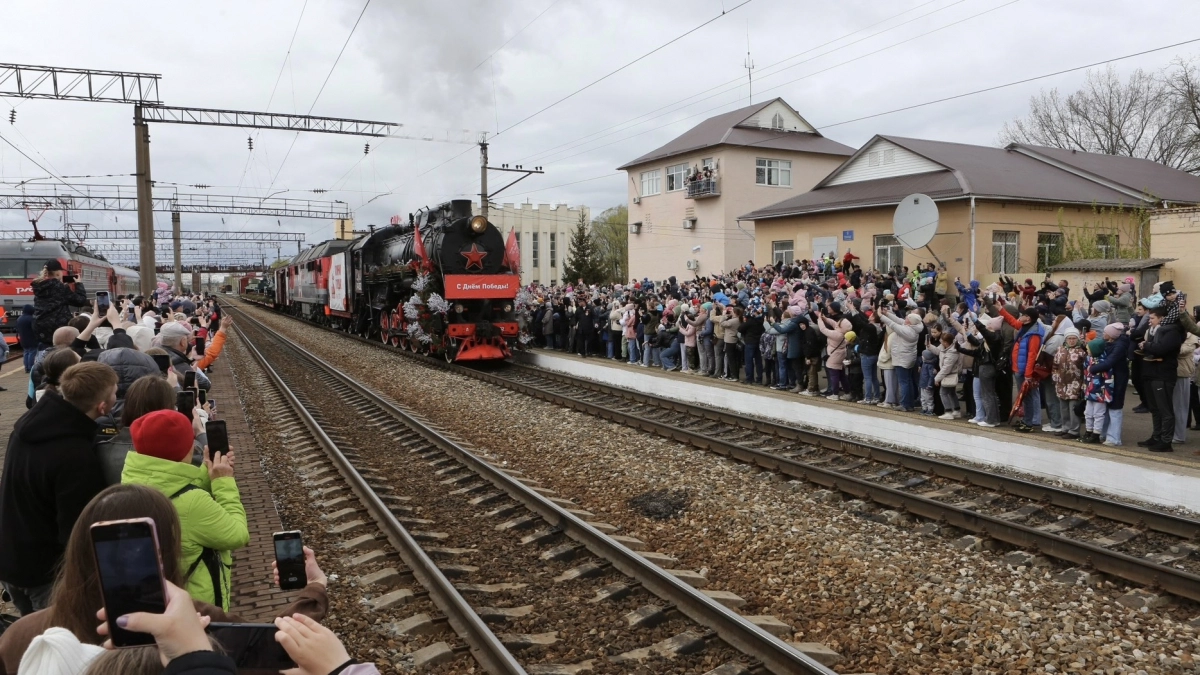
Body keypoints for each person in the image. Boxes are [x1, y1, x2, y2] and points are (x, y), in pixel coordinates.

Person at [0, 485, 329, 674]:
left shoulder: (23, 637)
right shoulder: (199, 625)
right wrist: (315, 587)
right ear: (163, 555)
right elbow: (280, 642)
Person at [0, 362, 116, 617]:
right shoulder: (76, 456)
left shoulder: (26, 426)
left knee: (31, 641)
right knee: (58, 645)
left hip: (10, 559)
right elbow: (76, 528)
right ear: (103, 407)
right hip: (46, 574)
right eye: (114, 392)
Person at [121, 410, 249, 610]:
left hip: (157, 602)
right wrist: (224, 482)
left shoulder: (130, 487)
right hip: (198, 609)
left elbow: (177, 487)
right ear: (186, 450)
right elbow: (237, 534)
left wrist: (207, 474)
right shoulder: (193, 503)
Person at [1138, 305, 1184, 452]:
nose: (1149, 321)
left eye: (1152, 318)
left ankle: (1166, 441)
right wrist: (1147, 345)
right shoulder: (1154, 331)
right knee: (1155, 408)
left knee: (1165, 410)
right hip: (1151, 373)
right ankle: (1156, 437)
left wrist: (1147, 345)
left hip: (1163, 374)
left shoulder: (1172, 331)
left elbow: (1161, 349)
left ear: (1162, 318)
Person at [996, 305, 1046, 433]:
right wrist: (1000, 309)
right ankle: (1025, 421)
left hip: (1024, 371)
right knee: (1023, 397)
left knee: (1027, 397)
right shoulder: (1025, 327)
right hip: (1018, 367)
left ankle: (1028, 423)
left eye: (1023, 315)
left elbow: (1032, 355)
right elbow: (1013, 321)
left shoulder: (1034, 334)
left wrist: (1028, 374)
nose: (1020, 317)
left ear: (1028, 318)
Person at [31, 260, 87, 350]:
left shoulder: (38, 287)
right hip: (58, 327)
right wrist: (79, 284)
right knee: (60, 355)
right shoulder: (60, 287)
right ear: (58, 273)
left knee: (44, 352)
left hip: (40, 326)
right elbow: (80, 301)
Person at [1091, 323, 1130, 447]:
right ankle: (1104, 434)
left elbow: (1110, 361)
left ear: (1112, 335)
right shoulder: (1110, 343)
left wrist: (1092, 369)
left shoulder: (1119, 346)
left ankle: (1114, 438)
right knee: (1107, 406)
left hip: (1118, 378)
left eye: (1105, 332)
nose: (1103, 334)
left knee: (1115, 407)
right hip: (1109, 379)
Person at [1052, 326, 1087, 438]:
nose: (1071, 340)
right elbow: (1055, 365)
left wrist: (1083, 384)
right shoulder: (1060, 349)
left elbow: (1085, 369)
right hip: (1061, 383)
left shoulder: (1081, 352)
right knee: (1063, 408)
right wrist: (1055, 377)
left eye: (1074, 338)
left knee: (1073, 408)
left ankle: (1074, 430)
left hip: (1075, 384)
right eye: (1069, 338)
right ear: (1065, 339)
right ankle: (1065, 427)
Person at [1081, 336, 1114, 444]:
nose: (1087, 351)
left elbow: (1109, 380)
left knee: (1098, 414)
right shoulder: (1088, 359)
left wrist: (1107, 394)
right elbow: (1086, 374)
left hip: (1100, 392)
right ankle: (1088, 431)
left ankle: (1096, 433)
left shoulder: (1104, 363)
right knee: (1088, 412)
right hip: (1090, 390)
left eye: (1089, 349)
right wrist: (1085, 386)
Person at [934, 332, 961, 419]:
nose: (940, 342)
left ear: (946, 342)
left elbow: (946, 368)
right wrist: (929, 346)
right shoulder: (945, 347)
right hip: (949, 374)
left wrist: (937, 378)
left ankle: (948, 411)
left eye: (942, 341)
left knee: (943, 393)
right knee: (952, 393)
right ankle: (956, 410)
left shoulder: (952, 353)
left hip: (949, 374)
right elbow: (938, 351)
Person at [16, 305, 36, 373]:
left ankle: (26, 367)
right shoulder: (31, 318)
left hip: (23, 339)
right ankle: (30, 368)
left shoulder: (19, 318)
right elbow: (34, 328)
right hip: (31, 338)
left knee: (26, 353)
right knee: (32, 353)